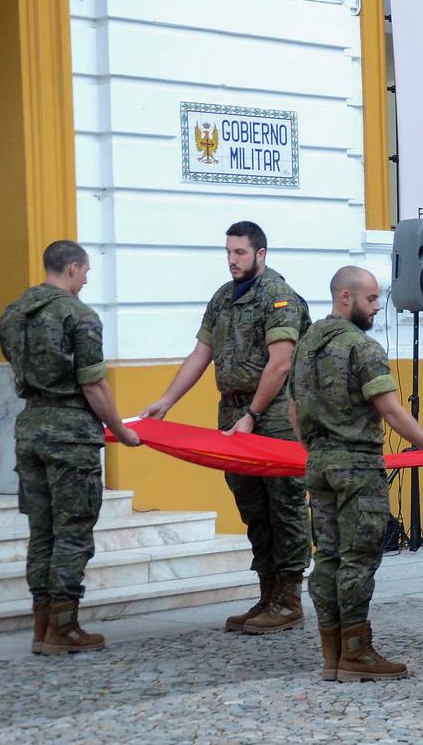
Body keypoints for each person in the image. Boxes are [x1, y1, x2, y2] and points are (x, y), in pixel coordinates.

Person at [290, 266, 423, 681]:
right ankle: (356, 653)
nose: (377, 307)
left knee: (328, 558)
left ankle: (331, 655)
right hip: (357, 467)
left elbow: (294, 409)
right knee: (359, 559)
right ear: (345, 297)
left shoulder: (306, 345)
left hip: (319, 464)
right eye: (371, 299)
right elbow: (390, 409)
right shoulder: (361, 347)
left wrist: (315, 449)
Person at [140, 221, 311, 634]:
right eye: (229, 252)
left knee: (283, 505)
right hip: (233, 414)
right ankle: (267, 592)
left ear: (261, 254)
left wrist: (251, 415)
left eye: (240, 253)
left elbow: (281, 363)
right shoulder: (222, 298)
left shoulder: (278, 297)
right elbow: (201, 353)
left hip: (271, 417)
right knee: (251, 505)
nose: (232, 260)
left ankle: (288, 599)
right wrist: (166, 401)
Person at [0, 240, 141, 655]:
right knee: (73, 530)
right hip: (70, 433)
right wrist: (120, 429)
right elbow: (93, 383)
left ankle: (42, 625)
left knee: (41, 532)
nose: (87, 278)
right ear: (74, 268)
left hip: (30, 429)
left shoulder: (13, 314)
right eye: (86, 271)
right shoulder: (78, 315)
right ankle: (63, 627)